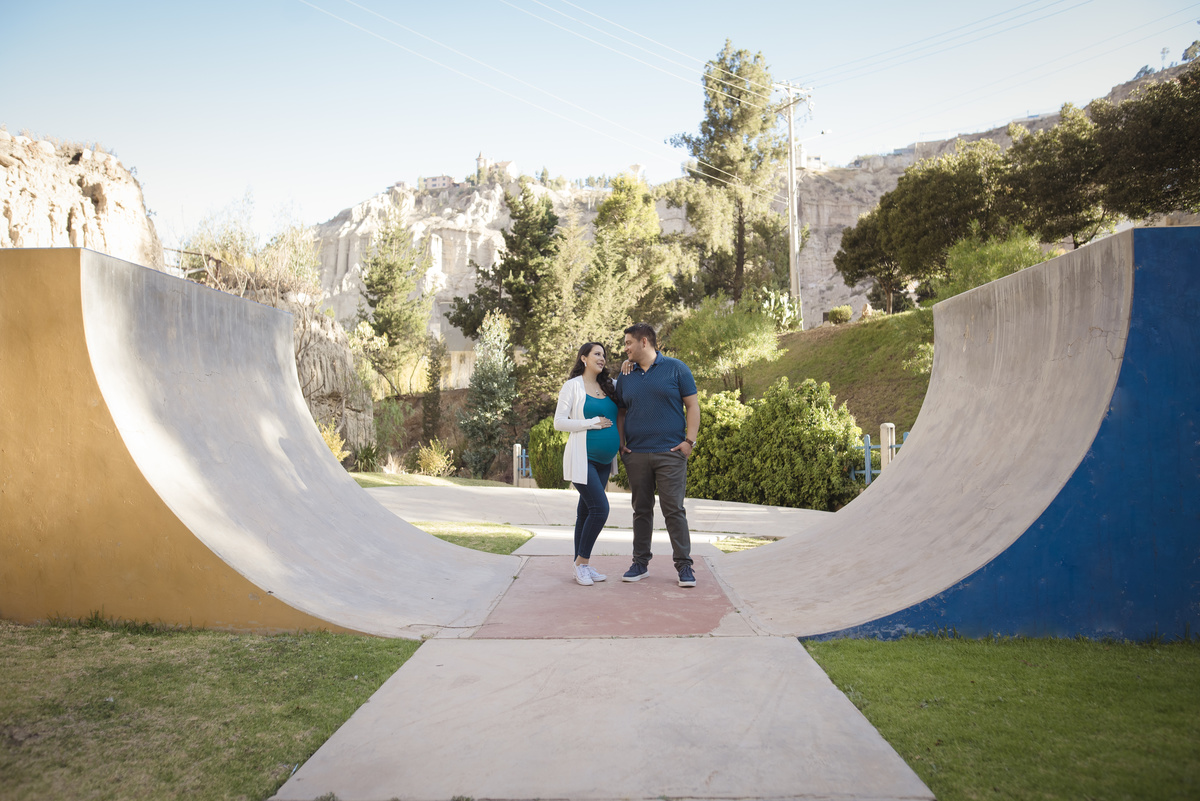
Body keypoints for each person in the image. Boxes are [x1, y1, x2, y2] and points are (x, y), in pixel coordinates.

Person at [615, 323, 700, 587]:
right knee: (641, 510)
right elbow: (620, 412)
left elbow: (692, 405)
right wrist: (621, 444)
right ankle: (640, 563)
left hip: (671, 453)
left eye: (628, 342)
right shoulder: (626, 375)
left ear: (644, 342)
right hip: (636, 454)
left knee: (674, 509)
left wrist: (690, 442)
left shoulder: (677, 368)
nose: (625, 347)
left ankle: (684, 567)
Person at [553, 342, 621, 586]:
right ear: (583, 358)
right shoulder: (572, 386)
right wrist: (590, 423)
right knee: (600, 509)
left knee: (585, 512)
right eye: (597, 354)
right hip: (583, 458)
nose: (602, 358)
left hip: (604, 461)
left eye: (604, 355)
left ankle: (581, 565)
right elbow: (559, 422)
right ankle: (582, 562)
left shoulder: (609, 385)